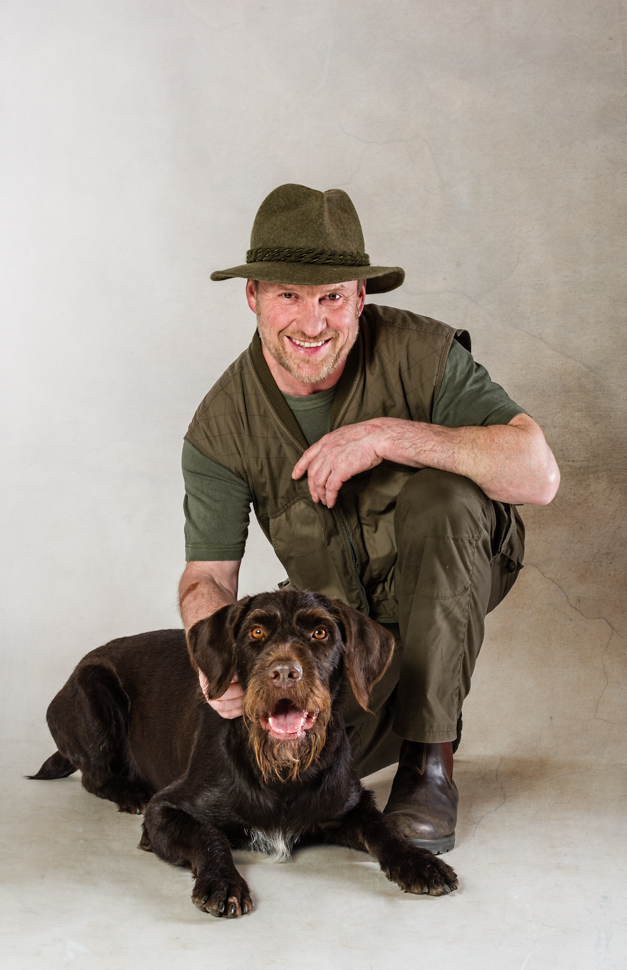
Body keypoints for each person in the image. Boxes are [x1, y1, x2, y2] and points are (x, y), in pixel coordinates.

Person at [178, 183, 559, 853]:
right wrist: (216, 671)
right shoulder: (219, 427)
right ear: (253, 296)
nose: (312, 323)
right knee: (291, 765)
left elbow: (538, 474)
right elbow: (207, 578)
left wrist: (391, 436)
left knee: (442, 497)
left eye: (331, 297)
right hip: (352, 626)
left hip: (460, 558)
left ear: (360, 297)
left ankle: (429, 763)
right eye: (289, 296)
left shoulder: (423, 353)